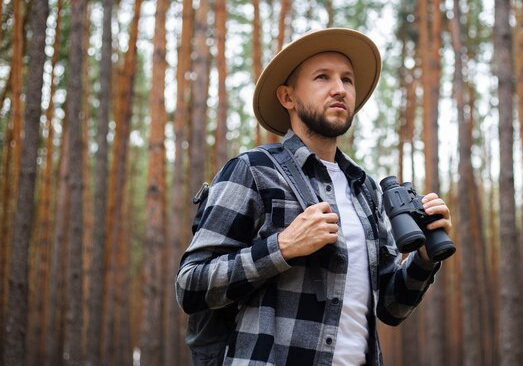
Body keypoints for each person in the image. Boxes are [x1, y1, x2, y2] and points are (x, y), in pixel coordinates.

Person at [176, 28, 452, 366]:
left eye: (348, 80)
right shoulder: (252, 170)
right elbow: (190, 286)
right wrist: (283, 247)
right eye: (323, 77)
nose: (340, 89)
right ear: (287, 97)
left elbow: (391, 309)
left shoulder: (364, 189)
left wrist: (424, 260)